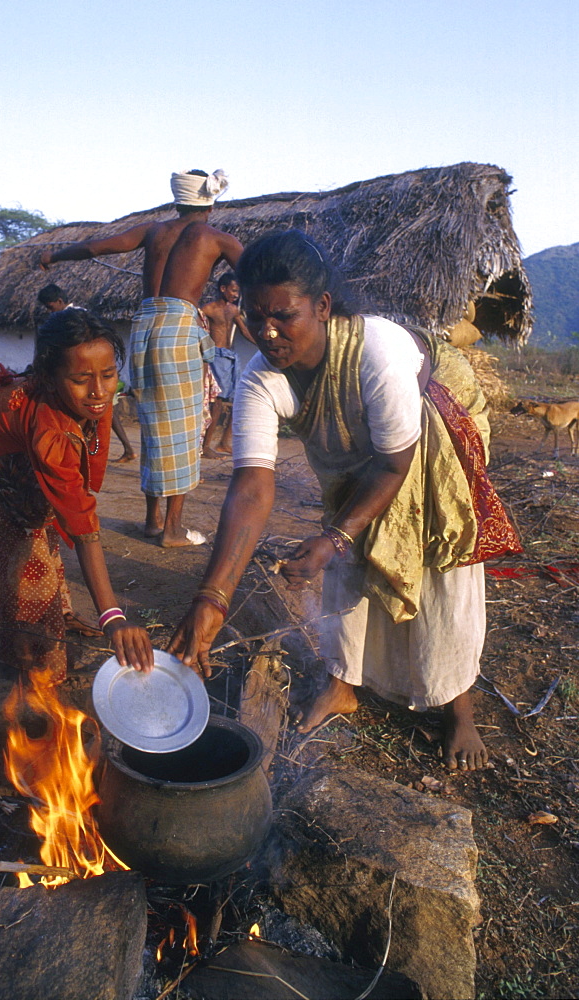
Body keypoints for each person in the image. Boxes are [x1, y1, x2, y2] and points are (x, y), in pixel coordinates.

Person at [169, 230, 521, 771]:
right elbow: (251, 486)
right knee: (348, 552)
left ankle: (458, 708)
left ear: (323, 307)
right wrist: (211, 598)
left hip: (427, 435)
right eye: (255, 315)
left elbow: (394, 465)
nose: (267, 331)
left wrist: (334, 538)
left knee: (438, 568)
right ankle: (343, 684)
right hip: (373, 458)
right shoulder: (262, 380)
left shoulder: (374, 353)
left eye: (284, 315)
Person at [0, 307, 154, 684]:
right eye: (82, 379)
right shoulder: (50, 432)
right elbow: (84, 526)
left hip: (17, 448)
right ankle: (28, 652)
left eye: (109, 375)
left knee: (46, 521)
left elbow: (79, 489)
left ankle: (58, 615)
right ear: (49, 379)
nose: (100, 390)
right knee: (23, 553)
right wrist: (113, 616)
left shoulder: (92, 398)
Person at [40, 169, 243, 546]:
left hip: (144, 328)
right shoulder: (216, 238)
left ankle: (151, 521)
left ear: (177, 198)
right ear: (210, 202)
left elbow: (97, 246)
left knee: (153, 427)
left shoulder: (153, 230)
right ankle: (172, 529)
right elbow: (260, 272)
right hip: (179, 330)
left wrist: (54, 254)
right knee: (183, 430)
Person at [37, 285, 137, 463]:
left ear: (60, 301)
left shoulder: (76, 321)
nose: (49, 311)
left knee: (101, 411)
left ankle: (125, 449)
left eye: (50, 307)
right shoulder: (65, 320)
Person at [201, 272, 255, 457]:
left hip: (230, 358)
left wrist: (263, 346)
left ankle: (224, 442)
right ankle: (206, 446)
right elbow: (197, 333)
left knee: (237, 399)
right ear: (223, 289)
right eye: (233, 290)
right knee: (217, 403)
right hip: (215, 357)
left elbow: (245, 331)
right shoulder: (208, 310)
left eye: (238, 291)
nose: (236, 295)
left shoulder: (233, 310)